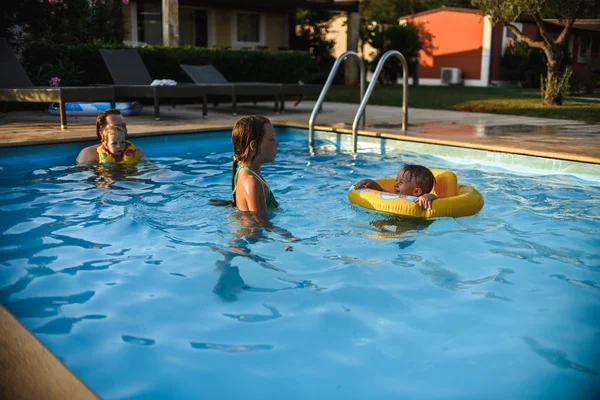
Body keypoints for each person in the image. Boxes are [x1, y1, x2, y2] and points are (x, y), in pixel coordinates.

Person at [230, 115, 278, 214]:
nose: (277, 144)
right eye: (272, 139)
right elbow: (259, 225)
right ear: (254, 145)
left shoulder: (246, 171)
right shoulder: (252, 183)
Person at [76, 109, 147, 164]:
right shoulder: (89, 154)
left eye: (123, 126)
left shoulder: (137, 153)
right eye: (116, 127)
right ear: (102, 133)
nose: (122, 130)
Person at [353, 164, 438, 210]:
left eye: (401, 182)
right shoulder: (397, 197)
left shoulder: (420, 200)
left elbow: (437, 198)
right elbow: (382, 191)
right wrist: (372, 183)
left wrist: (428, 196)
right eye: (396, 181)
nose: (396, 185)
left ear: (416, 192)